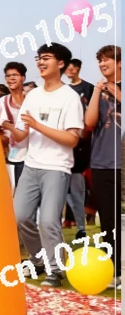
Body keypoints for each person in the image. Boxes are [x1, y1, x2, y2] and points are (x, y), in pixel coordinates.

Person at [8, 43, 84, 288]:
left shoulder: (70, 97)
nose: (41, 62)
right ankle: (38, 260)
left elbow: (72, 139)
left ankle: (55, 270)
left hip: (57, 167)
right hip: (31, 165)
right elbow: (23, 135)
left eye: (47, 58)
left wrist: (38, 126)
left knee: (49, 221)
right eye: (39, 58)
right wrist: (10, 129)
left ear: (60, 63)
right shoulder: (33, 95)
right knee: (20, 217)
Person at [85, 45, 121, 289]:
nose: (102, 64)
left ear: (119, 63)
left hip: (120, 162)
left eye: (107, 59)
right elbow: (89, 123)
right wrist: (98, 90)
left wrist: (115, 91)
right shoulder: (97, 90)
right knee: (108, 221)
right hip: (101, 163)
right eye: (100, 60)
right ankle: (114, 271)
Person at [64, 58, 94, 237]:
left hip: (81, 144)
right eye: (66, 68)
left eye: (71, 68)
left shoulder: (88, 88)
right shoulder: (64, 90)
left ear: (78, 69)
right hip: (63, 142)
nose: (69, 71)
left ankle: (81, 226)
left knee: (77, 188)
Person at [0, 62, 30, 189]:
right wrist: (2, 138)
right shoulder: (1, 103)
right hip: (12, 159)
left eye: (15, 75)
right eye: (8, 76)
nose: (11, 78)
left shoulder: (32, 100)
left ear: (23, 78)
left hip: (33, 157)